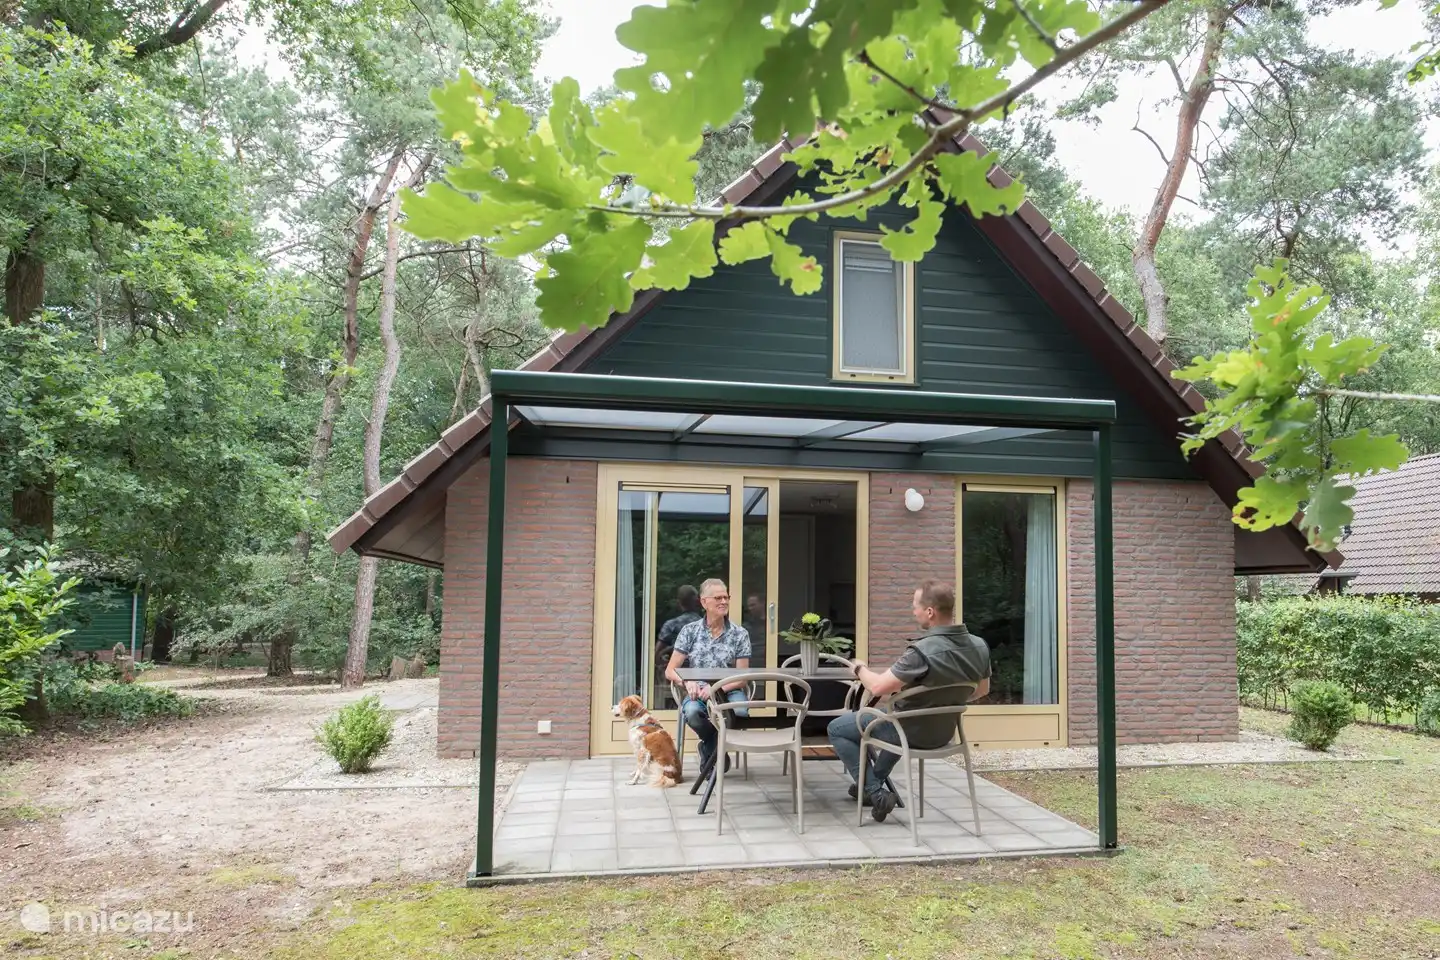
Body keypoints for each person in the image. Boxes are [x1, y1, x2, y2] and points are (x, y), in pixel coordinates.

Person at [827, 579, 990, 822]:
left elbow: (877, 687)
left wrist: (859, 668)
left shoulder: (921, 651)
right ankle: (870, 786)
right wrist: (944, 701)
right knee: (900, 718)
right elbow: (981, 690)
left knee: (837, 728)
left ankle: (874, 791)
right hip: (943, 734)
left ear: (930, 611)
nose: (913, 611)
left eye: (915, 606)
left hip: (908, 733)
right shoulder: (979, 646)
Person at [663, 578, 751, 774]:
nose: (724, 601)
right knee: (692, 712)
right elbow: (670, 670)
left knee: (740, 714)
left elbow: (742, 677)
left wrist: (716, 688)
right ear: (704, 602)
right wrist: (686, 682)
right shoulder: (690, 631)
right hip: (698, 690)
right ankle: (713, 746)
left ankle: (708, 750)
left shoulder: (740, 634)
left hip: (729, 689)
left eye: (726, 597)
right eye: (718, 598)